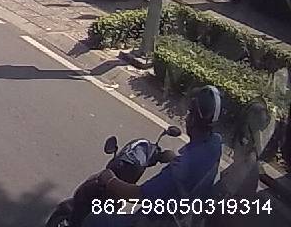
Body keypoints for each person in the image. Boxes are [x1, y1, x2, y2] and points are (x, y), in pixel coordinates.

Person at [87, 86, 223, 227]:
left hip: (157, 221)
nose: (187, 118)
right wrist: (173, 158)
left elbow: (138, 195)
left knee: (95, 220)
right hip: (183, 217)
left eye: (190, 114)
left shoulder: (178, 171)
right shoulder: (214, 145)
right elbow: (194, 169)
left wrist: (110, 180)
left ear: (194, 119)